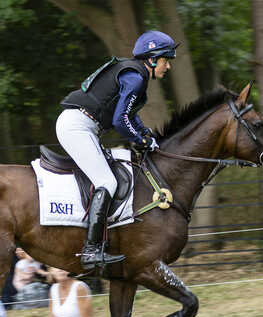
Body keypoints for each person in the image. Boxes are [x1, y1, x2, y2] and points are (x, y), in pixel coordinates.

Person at [57, 30, 179, 271]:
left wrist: (147, 137)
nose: (168, 67)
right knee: (107, 182)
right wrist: (142, 141)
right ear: (152, 60)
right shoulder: (135, 77)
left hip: (82, 125)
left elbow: (130, 116)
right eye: (166, 60)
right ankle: (91, 250)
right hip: (77, 126)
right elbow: (120, 121)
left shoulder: (135, 73)